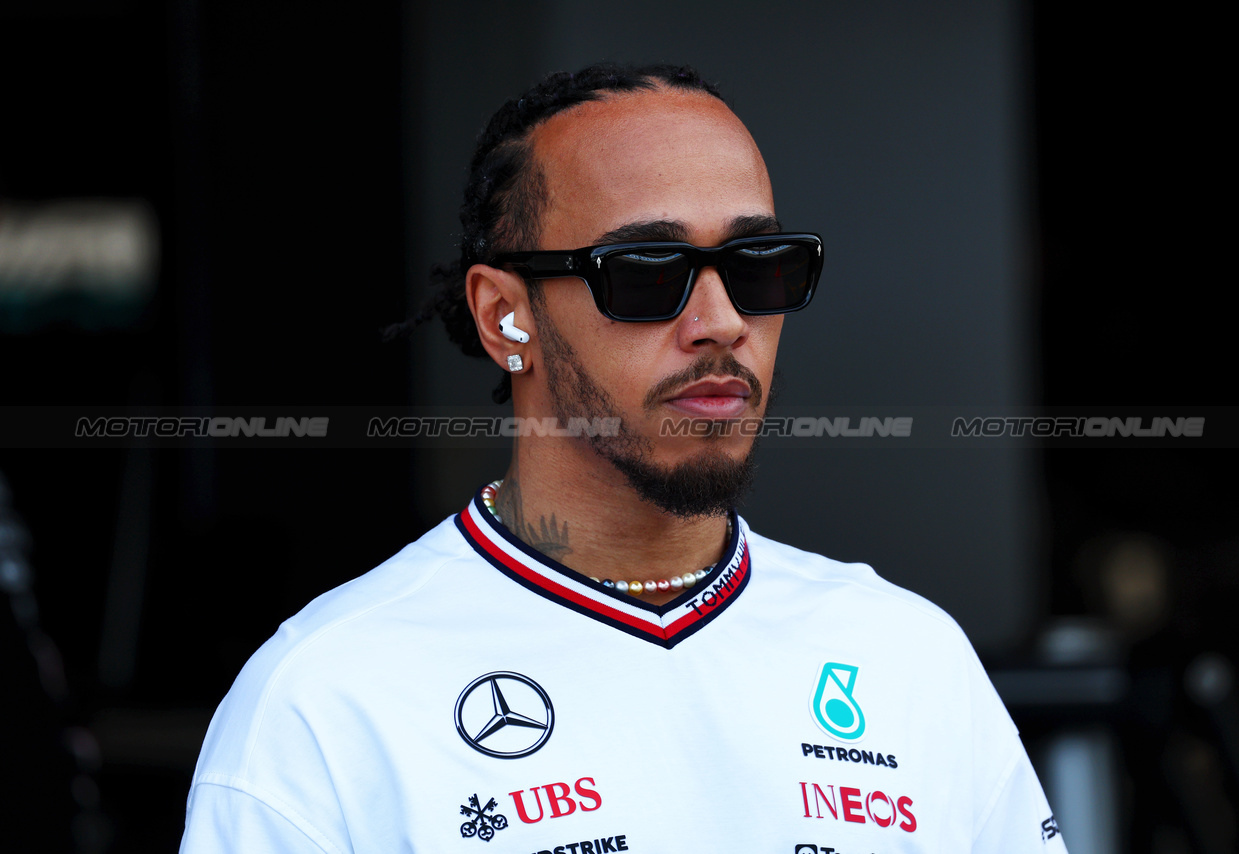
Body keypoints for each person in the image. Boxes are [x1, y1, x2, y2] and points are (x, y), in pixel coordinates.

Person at [180, 63, 1067, 853]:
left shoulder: (907, 657)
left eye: (759, 267)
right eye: (646, 271)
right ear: (504, 318)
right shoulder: (329, 702)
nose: (721, 321)